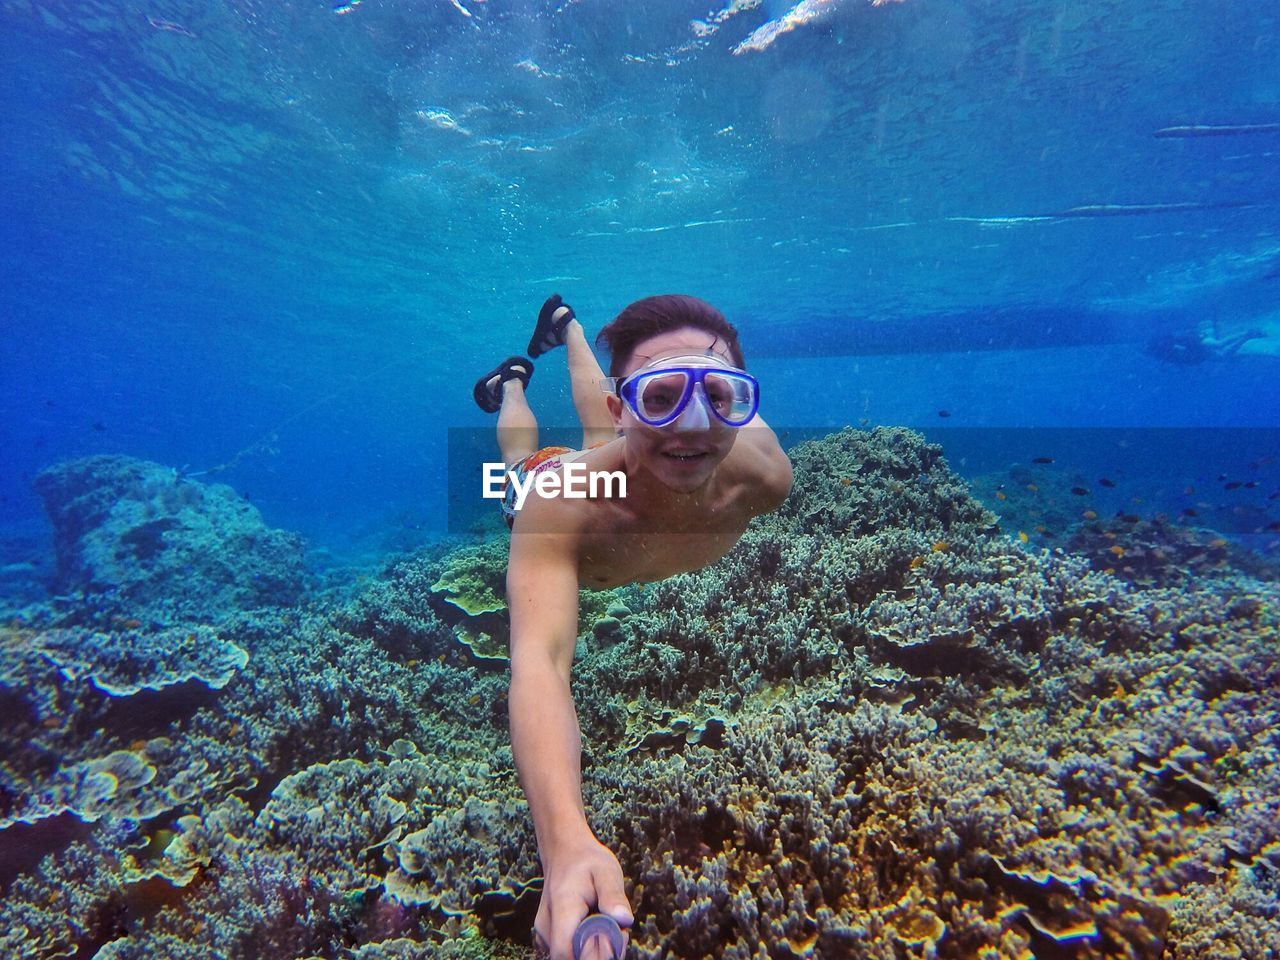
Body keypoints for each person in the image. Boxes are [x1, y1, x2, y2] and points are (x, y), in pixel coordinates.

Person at [473, 294, 793, 960]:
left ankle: (568, 328)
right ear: (626, 405)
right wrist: (565, 844)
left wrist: (684, 377)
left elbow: (682, 406)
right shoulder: (561, 508)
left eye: (722, 395)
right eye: (661, 396)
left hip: (618, 454)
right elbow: (541, 660)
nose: (695, 424)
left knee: (622, 446)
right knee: (517, 463)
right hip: (548, 476)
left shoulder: (763, 476)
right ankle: (510, 383)